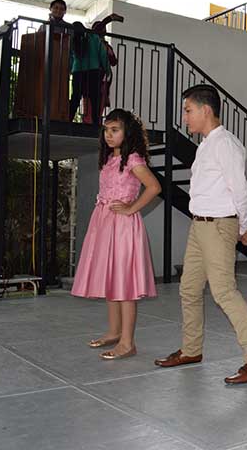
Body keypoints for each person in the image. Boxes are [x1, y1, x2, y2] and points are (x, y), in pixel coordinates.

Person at [155, 84, 247, 385]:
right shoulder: (207, 143)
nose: (185, 118)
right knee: (189, 289)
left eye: (188, 110)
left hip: (219, 224)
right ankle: (192, 349)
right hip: (200, 225)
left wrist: (243, 226)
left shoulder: (225, 144)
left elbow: (241, 190)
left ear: (206, 110)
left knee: (223, 292)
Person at [71, 109, 160, 359]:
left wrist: (131, 207)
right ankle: (114, 332)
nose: (108, 135)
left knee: (124, 283)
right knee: (111, 278)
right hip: (104, 223)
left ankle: (128, 343)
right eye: (106, 130)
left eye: (115, 130)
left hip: (122, 226)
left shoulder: (133, 159)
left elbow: (154, 187)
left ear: (127, 132)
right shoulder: (110, 158)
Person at [69, 21, 108, 123]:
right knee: (95, 98)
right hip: (93, 71)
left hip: (77, 71)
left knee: (76, 97)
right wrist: (107, 69)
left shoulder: (71, 39)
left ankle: (68, 120)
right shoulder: (93, 37)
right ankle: (95, 123)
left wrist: (70, 70)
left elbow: (70, 57)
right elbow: (102, 53)